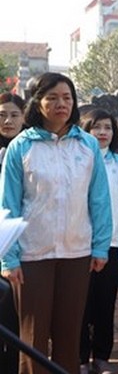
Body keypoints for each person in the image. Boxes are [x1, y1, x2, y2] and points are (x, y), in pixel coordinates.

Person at [0, 73, 112, 374]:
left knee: (69, 336)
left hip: (77, 251)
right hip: (32, 254)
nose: (61, 103)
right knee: (32, 338)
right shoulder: (21, 146)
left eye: (67, 97)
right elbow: (7, 205)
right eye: (52, 98)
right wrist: (9, 258)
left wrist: (100, 247)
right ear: (38, 103)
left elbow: (99, 199)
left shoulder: (87, 145)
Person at [79, 109, 118, 374]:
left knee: (105, 303)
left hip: (113, 243)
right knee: (80, 305)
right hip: (80, 244)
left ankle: (101, 356)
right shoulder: (78, 161)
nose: (102, 132)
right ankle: (80, 357)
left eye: (107, 127)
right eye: (96, 127)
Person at [0, 93, 25, 374]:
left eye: (14, 115)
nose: (7, 121)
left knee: (15, 316)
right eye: (1, 115)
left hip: (17, 244)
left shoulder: (28, 151)